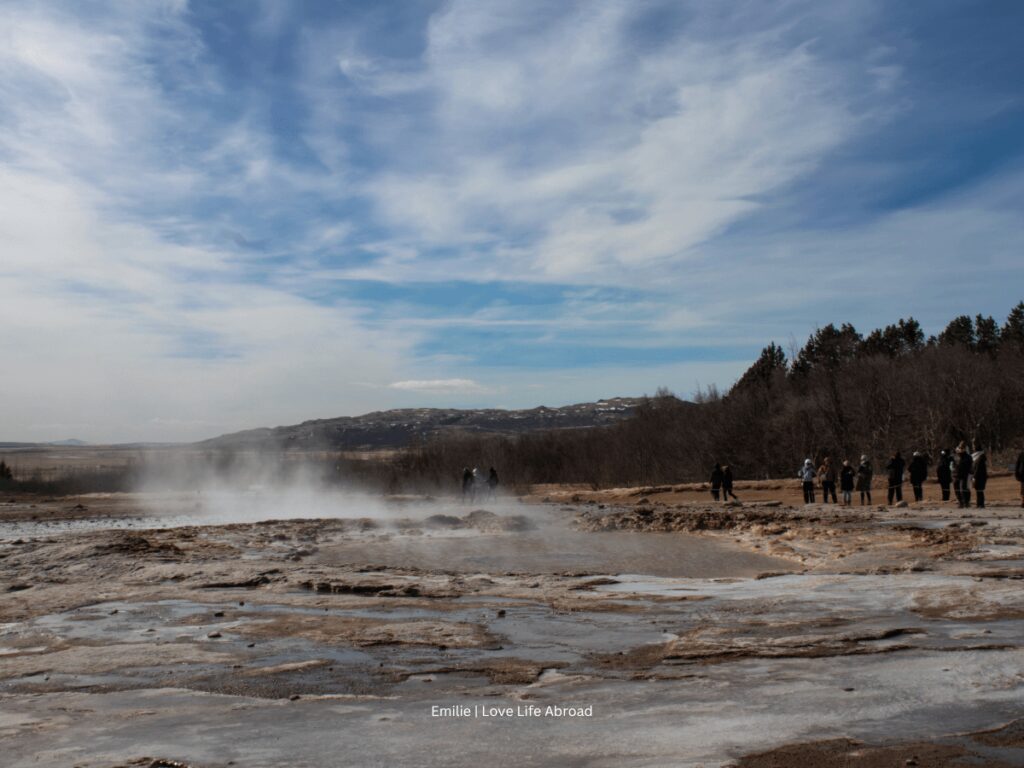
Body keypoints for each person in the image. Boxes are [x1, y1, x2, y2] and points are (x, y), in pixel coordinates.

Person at [954, 442, 973, 508]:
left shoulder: (968, 457)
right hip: (956, 475)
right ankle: (960, 502)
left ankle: (966, 502)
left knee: (964, 489)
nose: (960, 449)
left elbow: (968, 466)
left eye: (962, 448)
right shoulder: (956, 456)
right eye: (960, 447)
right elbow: (954, 464)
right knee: (956, 489)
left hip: (964, 475)